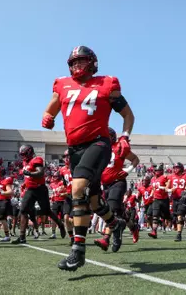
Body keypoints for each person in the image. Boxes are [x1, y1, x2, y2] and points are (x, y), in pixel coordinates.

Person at [42, 45, 135, 271]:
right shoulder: (62, 84)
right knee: (93, 201)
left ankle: (78, 251)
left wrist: (124, 137)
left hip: (99, 142)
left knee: (77, 188)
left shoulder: (107, 83)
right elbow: (52, 107)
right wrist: (47, 115)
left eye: (81, 61)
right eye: (73, 62)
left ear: (93, 63)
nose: (76, 65)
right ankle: (116, 223)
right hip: (74, 148)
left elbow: (127, 114)